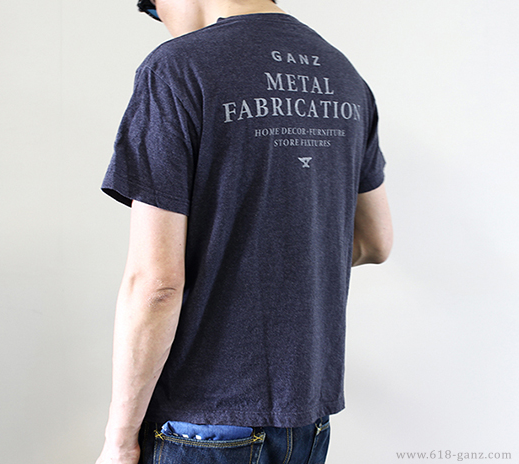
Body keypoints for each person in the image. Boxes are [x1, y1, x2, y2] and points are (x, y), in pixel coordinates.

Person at [96, 0, 393, 462]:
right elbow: (376, 242)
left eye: (152, 11)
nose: (161, 24)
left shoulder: (177, 68)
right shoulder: (344, 74)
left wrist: (119, 439)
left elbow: (156, 284)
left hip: (203, 423)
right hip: (308, 422)